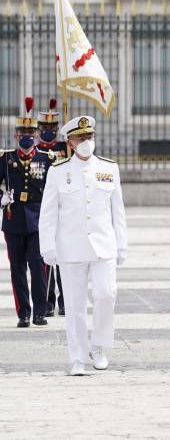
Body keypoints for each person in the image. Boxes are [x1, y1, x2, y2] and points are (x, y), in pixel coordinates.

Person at [38, 116, 127, 376]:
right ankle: (77, 357)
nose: (87, 142)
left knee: (106, 294)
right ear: (70, 142)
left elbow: (118, 211)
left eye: (89, 136)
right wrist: (47, 246)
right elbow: (48, 212)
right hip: (71, 248)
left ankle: (98, 347)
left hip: (103, 245)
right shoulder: (58, 171)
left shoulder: (109, 168)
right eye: (81, 138)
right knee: (75, 305)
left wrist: (121, 245)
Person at [2, 97, 58, 327]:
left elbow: (55, 190)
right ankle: (23, 313)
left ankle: (40, 311)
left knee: (38, 265)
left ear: (35, 136)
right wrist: (2, 199)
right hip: (13, 219)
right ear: (16, 136)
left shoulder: (47, 159)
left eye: (29, 133)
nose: (25, 137)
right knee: (17, 268)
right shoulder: (6, 159)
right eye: (21, 133)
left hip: (39, 220)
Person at [36, 97, 65, 317]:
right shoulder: (35, 151)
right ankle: (48, 301)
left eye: (52, 127)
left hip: (64, 209)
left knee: (64, 258)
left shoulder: (65, 148)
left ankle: (65, 300)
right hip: (43, 209)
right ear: (38, 129)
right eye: (45, 127)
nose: (48, 131)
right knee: (46, 258)